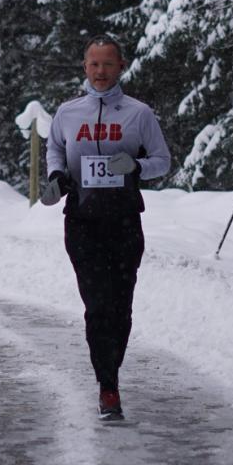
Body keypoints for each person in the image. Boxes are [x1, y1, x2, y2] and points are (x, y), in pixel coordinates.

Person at [40, 34, 171, 421]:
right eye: (94, 64)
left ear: (121, 67)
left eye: (108, 64)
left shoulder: (139, 114)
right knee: (97, 306)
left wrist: (136, 167)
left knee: (121, 307)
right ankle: (108, 385)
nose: (100, 71)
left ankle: (110, 370)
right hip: (82, 221)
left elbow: (163, 161)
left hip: (124, 220)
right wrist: (57, 175)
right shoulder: (68, 113)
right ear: (85, 67)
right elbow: (55, 148)